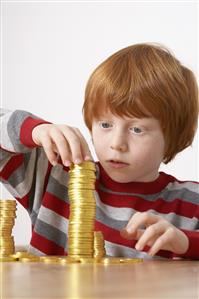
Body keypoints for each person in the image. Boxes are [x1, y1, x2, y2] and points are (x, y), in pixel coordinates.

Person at [0, 43, 198, 259]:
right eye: (105, 125)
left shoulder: (191, 202)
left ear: (173, 137)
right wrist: (35, 130)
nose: (116, 143)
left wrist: (187, 242)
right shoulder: (54, 176)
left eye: (137, 129)